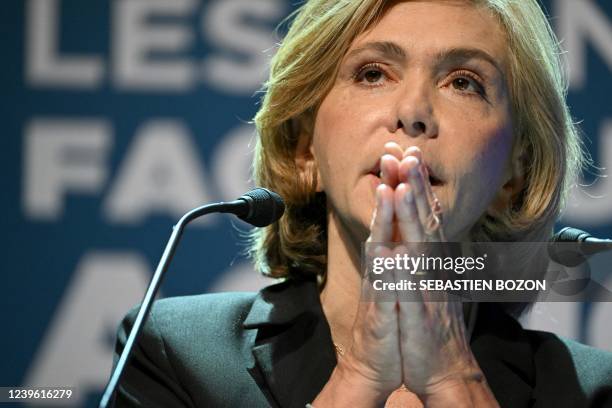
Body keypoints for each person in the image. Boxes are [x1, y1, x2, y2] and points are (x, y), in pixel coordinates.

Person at [111, 0, 612, 407]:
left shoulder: (588, 391)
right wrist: (360, 377)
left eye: (464, 82)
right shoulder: (175, 355)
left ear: (514, 175)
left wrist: (453, 378)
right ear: (305, 146)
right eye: (373, 73)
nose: (413, 112)